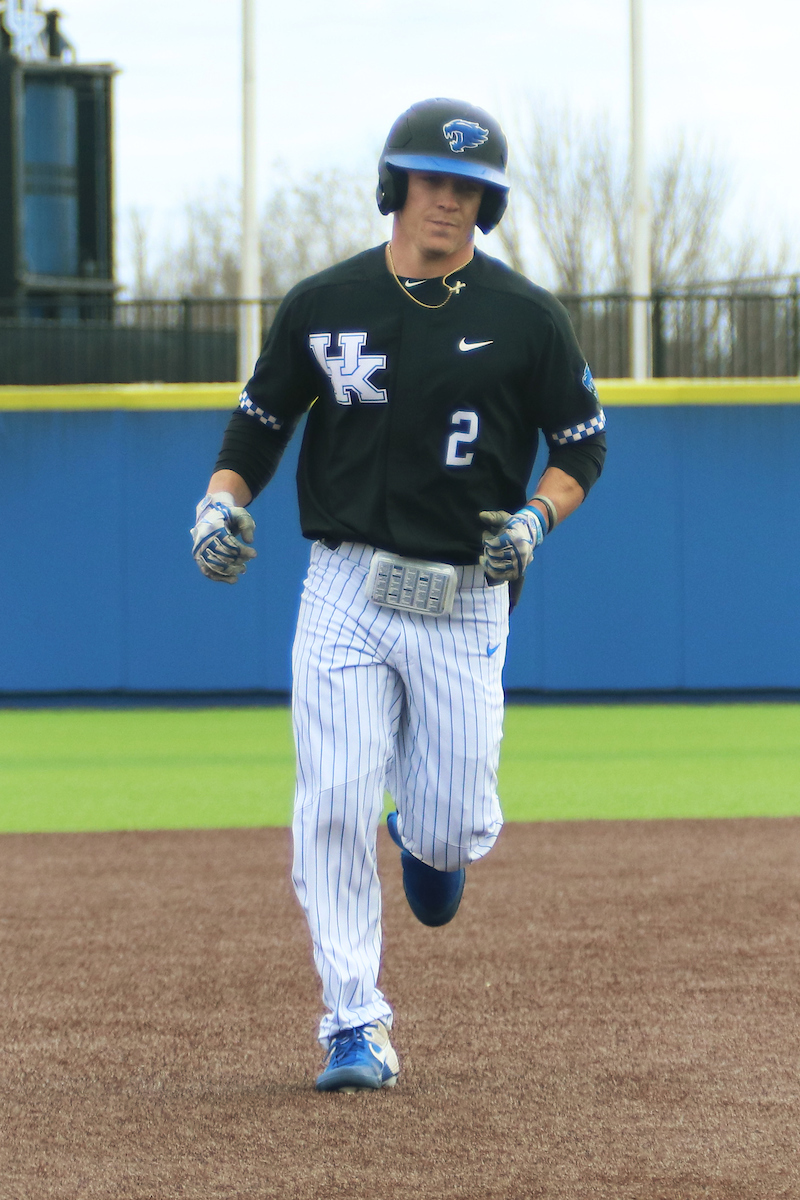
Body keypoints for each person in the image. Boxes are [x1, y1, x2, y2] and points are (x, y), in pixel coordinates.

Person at [190, 98, 607, 1094]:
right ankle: (353, 1023)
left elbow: (582, 444)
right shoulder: (323, 302)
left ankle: (426, 838)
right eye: (431, 180)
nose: (448, 200)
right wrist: (216, 502)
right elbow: (259, 424)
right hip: (346, 585)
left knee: (454, 827)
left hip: (466, 594)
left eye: (468, 187)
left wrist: (535, 519)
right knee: (332, 799)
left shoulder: (526, 317)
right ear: (395, 185)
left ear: (486, 204)